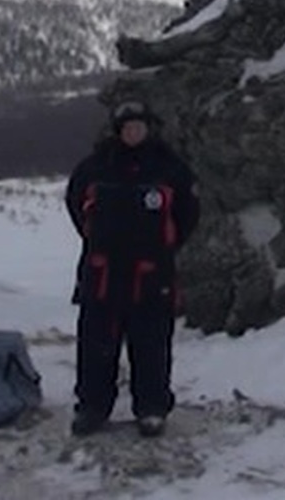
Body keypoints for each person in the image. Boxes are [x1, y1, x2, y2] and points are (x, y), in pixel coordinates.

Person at [65, 99, 200, 438]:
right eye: (127, 127)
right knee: (96, 343)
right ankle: (92, 407)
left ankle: (152, 408)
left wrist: (165, 244)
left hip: (152, 273)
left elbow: (188, 215)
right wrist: (95, 238)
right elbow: (76, 206)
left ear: (149, 128)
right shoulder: (94, 167)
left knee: (151, 343)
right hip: (103, 272)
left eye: (139, 126)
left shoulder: (171, 168)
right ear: (117, 130)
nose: (133, 132)